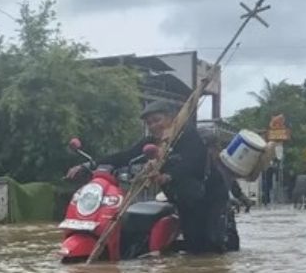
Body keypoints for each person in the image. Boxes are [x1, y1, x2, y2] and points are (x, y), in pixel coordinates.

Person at [69, 100, 215, 253]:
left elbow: (192, 162)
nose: (153, 126)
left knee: (207, 248)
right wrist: (88, 165)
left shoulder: (188, 136)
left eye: (157, 120)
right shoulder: (151, 143)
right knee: (192, 244)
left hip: (208, 197)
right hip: (182, 199)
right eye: (149, 123)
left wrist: (167, 176)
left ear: (172, 118)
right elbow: (124, 156)